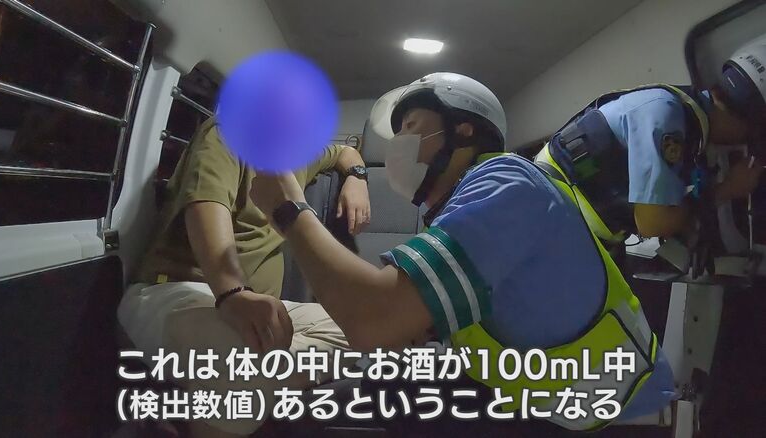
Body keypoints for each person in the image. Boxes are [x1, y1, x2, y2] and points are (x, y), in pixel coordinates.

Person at [250, 72, 675, 431]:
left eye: (410, 126)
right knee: (386, 385)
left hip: (604, 416)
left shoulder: (507, 181)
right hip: (549, 398)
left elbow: (374, 321)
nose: (398, 144)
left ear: (463, 130)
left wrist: (289, 209)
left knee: (326, 407)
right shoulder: (464, 205)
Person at [117, 117, 371, 437]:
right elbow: (206, 206)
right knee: (237, 364)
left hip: (262, 307)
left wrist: (357, 178)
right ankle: (239, 382)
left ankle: (224, 390)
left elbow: (345, 153)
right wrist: (233, 293)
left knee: (361, 327)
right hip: (180, 291)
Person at [534, 37, 765, 243]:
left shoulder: (687, 124)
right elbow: (653, 223)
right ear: (749, 117)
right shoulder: (665, 114)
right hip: (549, 213)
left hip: (569, 224)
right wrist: (728, 189)